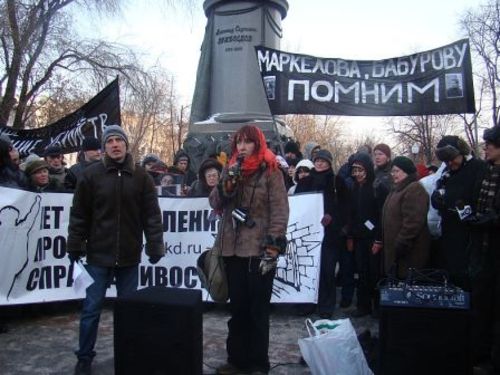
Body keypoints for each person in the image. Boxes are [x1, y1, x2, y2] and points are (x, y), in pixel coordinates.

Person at [67, 125, 165, 375]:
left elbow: (152, 216)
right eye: (109, 141)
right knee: (91, 309)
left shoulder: (142, 177)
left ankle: (130, 354)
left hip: (130, 256)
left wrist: (155, 246)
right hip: (98, 255)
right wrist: (75, 245)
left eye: (118, 140)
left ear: (126, 144)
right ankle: (85, 357)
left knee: (130, 310)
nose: (114, 144)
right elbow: (79, 215)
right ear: (104, 147)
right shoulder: (90, 176)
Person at [209, 125, 289, 375]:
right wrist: (228, 182)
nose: (241, 147)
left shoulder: (271, 170)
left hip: (259, 250)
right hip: (232, 250)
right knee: (238, 309)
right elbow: (214, 201)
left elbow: (280, 211)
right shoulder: (231, 167)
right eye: (238, 143)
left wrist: (273, 248)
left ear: (258, 144)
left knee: (258, 311)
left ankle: (257, 364)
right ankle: (236, 360)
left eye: (247, 142)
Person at [431, 135, 487, 289]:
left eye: (452, 159)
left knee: (467, 277)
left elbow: (481, 200)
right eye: (445, 161)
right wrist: (436, 199)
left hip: (469, 235)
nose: (449, 163)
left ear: (461, 153)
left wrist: (464, 209)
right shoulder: (446, 173)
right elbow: (439, 191)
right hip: (450, 232)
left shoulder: (478, 168)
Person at [468, 126, 500, 373]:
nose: (485, 147)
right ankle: (480, 353)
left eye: (490, 143)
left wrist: (494, 218)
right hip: (484, 249)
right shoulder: (487, 172)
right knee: (483, 303)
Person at [347, 152, 387, 317]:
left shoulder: (378, 187)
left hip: (374, 238)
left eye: (360, 171)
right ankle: (363, 306)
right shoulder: (354, 188)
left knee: (375, 272)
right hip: (359, 237)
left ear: (368, 170)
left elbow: (382, 215)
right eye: (355, 171)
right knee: (362, 272)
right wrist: (350, 235)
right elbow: (351, 213)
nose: (357, 175)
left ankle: (378, 305)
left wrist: (379, 238)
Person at [382, 156, 430, 279]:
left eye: (397, 171)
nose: (393, 174)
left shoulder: (414, 189)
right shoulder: (396, 190)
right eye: (392, 171)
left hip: (408, 252)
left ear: (407, 171)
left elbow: (413, 221)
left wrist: (401, 242)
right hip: (395, 252)